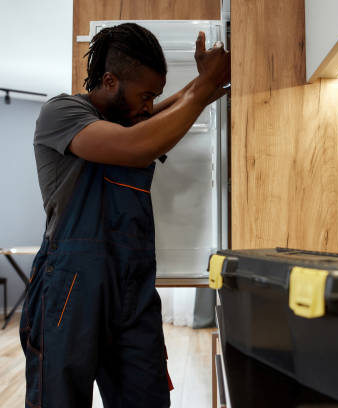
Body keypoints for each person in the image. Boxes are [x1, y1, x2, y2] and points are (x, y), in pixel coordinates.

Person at [19, 22, 230, 408]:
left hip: (131, 290)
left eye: (154, 97)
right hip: (70, 288)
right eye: (144, 95)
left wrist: (203, 85)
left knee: (146, 398)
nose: (150, 105)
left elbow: (155, 119)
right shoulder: (62, 112)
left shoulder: (132, 122)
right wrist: (200, 90)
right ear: (110, 80)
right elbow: (134, 147)